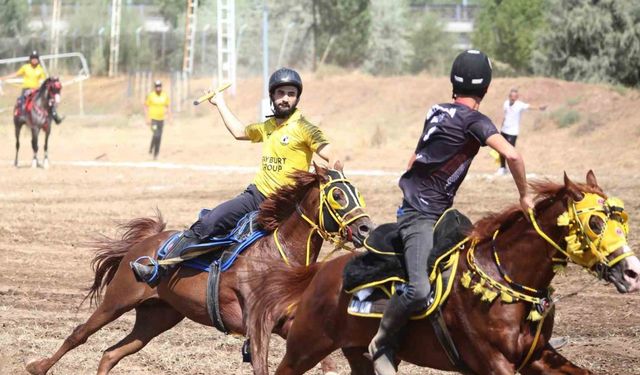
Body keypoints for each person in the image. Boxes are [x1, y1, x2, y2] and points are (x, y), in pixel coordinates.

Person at [367, 50, 535, 375]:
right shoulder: (476, 121)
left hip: (442, 215)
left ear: (452, 82)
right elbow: (513, 156)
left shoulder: (436, 111)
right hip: (419, 215)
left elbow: (413, 160)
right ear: (486, 89)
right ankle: (382, 343)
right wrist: (524, 195)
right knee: (418, 290)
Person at [132, 68, 336, 283]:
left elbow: (332, 157)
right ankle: (160, 269)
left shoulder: (306, 128)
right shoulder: (268, 126)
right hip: (256, 197)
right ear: (272, 96)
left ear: (297, 98)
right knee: (210, 221)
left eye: (291, 94)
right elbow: (239, 132)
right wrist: (220, 102)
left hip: (286, 205)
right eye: (280, 93)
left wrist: (323, 175)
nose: (285, 98)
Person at [0, 50, 63, 124]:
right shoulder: (25, 67)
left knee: (48, 101)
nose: (34, 60)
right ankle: (21, 116)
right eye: (33, 58)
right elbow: (16, 74)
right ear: (30, 59)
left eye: (36, 58)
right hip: (26, 89)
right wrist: (3, 78)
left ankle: (55, 116)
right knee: (22, 102)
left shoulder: (40, 69)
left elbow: (44, 80)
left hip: (36, 90)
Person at [496, 88, 546, 175]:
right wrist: (501, 128)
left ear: (517, 97)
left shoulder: (519, 105)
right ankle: (502, 168)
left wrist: (539, 108)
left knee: (510, 152)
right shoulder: (506, 103)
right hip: (504, 130)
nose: (513, 98)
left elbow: (529, 107)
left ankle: (512, 169)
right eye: (511, 96)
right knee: (501, 150)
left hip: (513, 132)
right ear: (509, 96)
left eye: (515, 96)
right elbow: (505, 115)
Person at [144, 80, 171, 160]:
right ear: (155, 87)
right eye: (157, 86)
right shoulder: (151, 96)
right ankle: (151, 147)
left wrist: (170, 117)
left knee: (159, 137)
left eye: (159, 86)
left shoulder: (164, 95)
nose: (158, 88)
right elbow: (146, 106)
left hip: (161, 119)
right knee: (156, 134)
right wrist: (147, 118)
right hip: (153, 119)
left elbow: (168, 106)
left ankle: (156, 154)